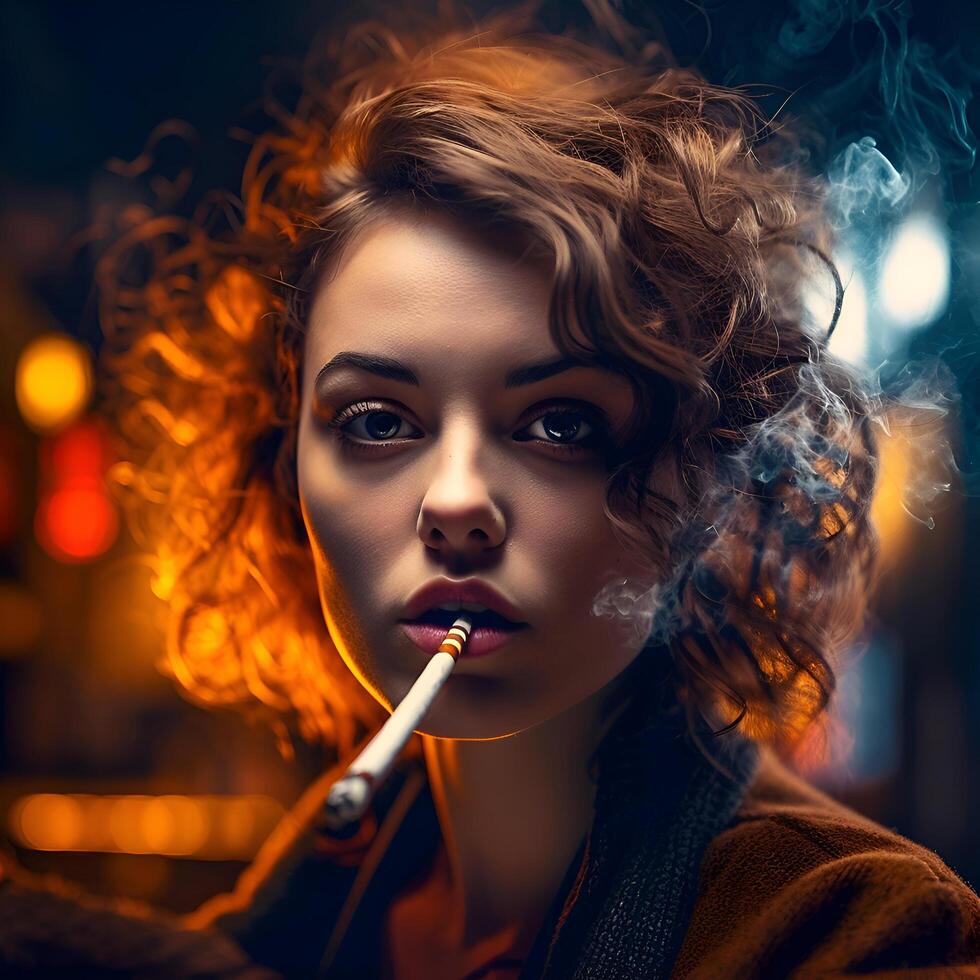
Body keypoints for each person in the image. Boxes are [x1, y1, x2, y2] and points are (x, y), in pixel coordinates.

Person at [2, 4, 977, 978]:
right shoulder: (317, 902)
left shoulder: (859, 938)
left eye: (560, 423)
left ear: (706, 478)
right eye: (377, 420)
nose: (456, 501)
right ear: (281, 461)